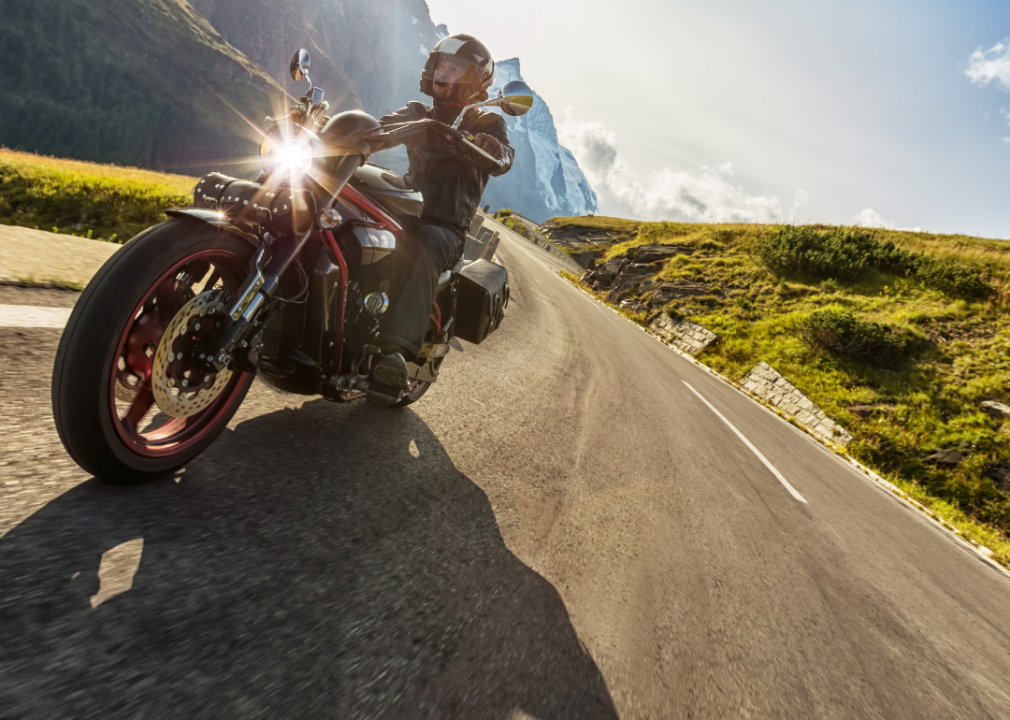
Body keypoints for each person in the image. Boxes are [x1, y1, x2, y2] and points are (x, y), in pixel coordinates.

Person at [371, 34, 514, 393]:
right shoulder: (418, 114)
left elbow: (503, 158)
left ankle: (394, 355)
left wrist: (492, 148)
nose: (443, 73)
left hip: (446, 229)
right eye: (442, 65)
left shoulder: (486, 124)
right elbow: (377, 129)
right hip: (408, 210)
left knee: (426, 243)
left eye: (454, 68)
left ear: (473, 80)